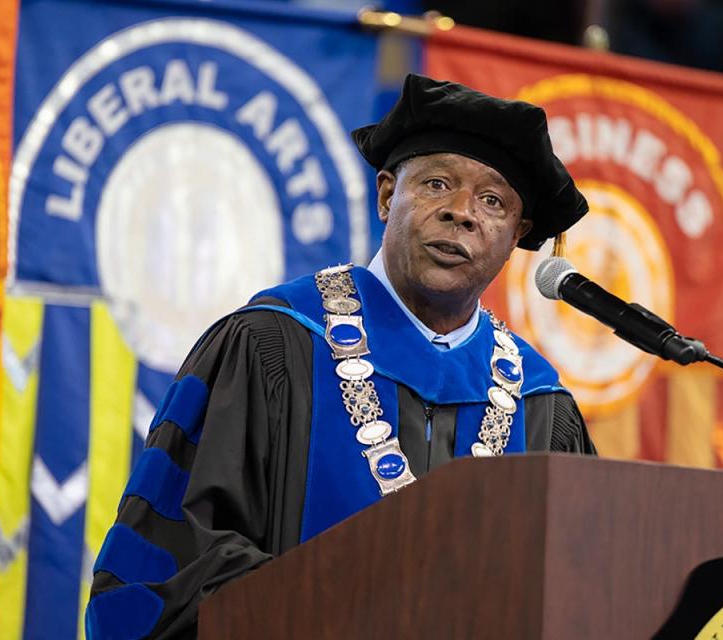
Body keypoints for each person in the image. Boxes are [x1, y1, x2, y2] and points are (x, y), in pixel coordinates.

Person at [85, 73, 596, 639]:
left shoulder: (542, 410)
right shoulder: (270, 346)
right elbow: (170, 568)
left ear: (516, 233)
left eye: (493, 201)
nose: (462, 213)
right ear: (385, 195)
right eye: (435, 185)